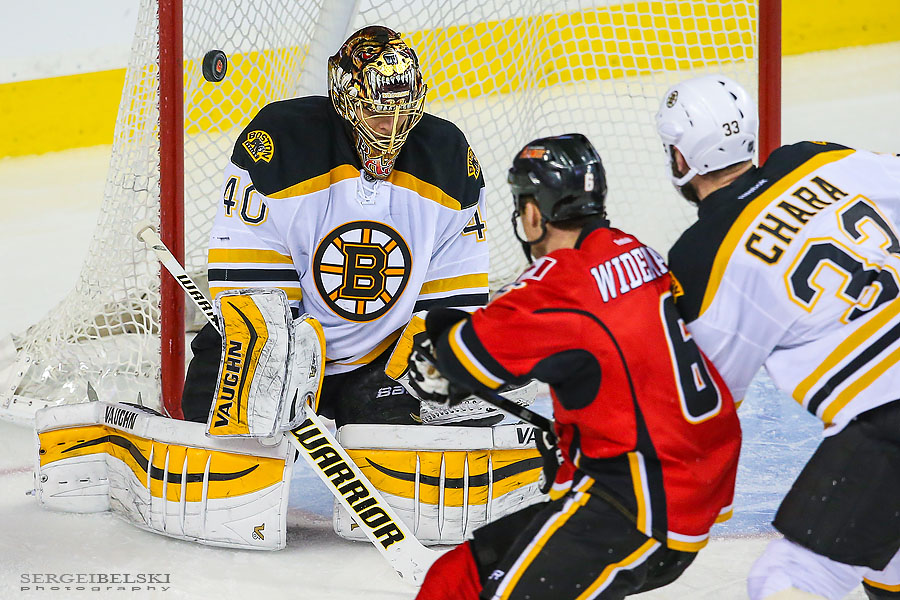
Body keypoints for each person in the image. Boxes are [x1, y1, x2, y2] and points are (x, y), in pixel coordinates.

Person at [406, 133, 742, 599]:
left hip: (631, 505)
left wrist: (439, 352)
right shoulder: (635, 250)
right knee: (457, 575)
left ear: (533, 212)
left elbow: (459, 359)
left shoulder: (560, 282)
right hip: (682, 481)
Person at [655, 73, 900, 600]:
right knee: (889, 561)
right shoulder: (815, 157)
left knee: (789, 582)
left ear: (681, 159)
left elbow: (709, 404)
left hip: (887, 417)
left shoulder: (704, 255)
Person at [180, 25, 496, 427]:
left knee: (451, 414)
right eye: (378, 113)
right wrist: (277, 362)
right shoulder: (280, 146)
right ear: (346, 100)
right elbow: (252, 292)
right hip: (281, 343)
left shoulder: (449, 159)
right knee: (225, 429)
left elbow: (451, 301)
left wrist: (428, 368)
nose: (391, 129)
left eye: (405, 112)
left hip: (383, 357)